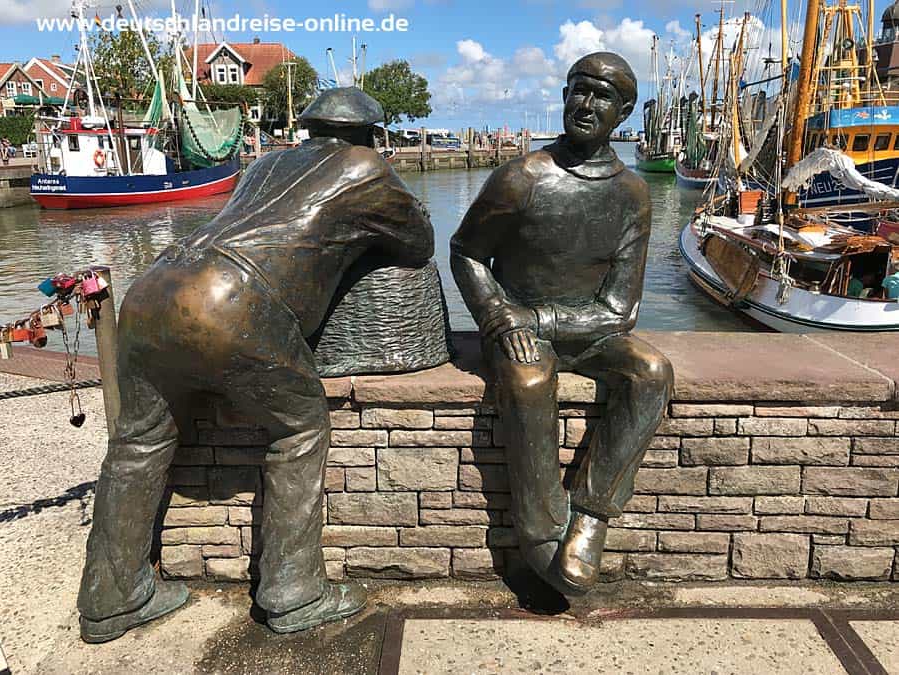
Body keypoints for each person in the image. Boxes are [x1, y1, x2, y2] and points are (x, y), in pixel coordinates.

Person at [77, 87, 435, 642]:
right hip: (232, 300)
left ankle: (109, 599)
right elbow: (419, 244)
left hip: (152, 289)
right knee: (301, 428)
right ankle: (293, 593)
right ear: (369, 134)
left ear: (311, 128)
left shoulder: (266, 162)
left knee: (137, 442)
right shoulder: (367, 167)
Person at [451, 52, 673, 596]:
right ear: (565, 93)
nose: (586, 104)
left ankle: (592, 516)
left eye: (602, 96)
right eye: (579, 89)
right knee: (528, 383)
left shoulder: (632, 195)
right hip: (518, 326)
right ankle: (541, 532)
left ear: (623, 112)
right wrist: (499, 316)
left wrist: (544, 316)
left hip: (590, 327)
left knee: (652, 371)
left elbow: (621, 308)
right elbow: (466, 252)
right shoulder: (521, 177)